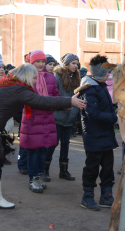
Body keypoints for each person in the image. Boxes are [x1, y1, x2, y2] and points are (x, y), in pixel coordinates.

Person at [0, 64, 86, 209]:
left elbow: (38, 102)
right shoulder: (18, 89)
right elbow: (40, 101)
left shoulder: (6, 82)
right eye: (34, 77)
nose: (35, 81)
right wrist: (69, 101)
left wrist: (62, 104)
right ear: (27, 76)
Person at [77, 54, 118, 211]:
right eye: (107, 72)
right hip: (94, 135)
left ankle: (106, 196)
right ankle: (87, 197)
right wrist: (115, 117)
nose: (109, 75)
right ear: (99, 73)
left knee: (108, 167)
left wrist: (115, 110)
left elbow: (104, 108)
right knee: (92, 167)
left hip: (106, 134)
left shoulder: (100, 86)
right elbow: (92, 114)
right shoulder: (89, 89)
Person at [20, 50, 60, 193]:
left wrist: (56, 104)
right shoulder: (26, 77)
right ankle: (33, 179)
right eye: (38, 61)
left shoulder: (51, 77)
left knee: (44, 149)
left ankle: (40, 175)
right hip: (32, 118)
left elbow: (56, 95)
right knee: (33, 150)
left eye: (43, 61)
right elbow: (24, 97)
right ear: (32, 63)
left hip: (47, 118)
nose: (41, 64)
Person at [44, 53, 80, 182]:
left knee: (66, 144)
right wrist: (62, 105)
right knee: (52, 144)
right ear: (66, 64)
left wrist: (75, 111)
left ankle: (63, 171)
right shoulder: (57, 78)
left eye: (77, 64)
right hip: (57, 117)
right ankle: (45, 170)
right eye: (73, 63)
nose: (76, 66)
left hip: (70, 118)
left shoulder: (76, 78)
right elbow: (53, 98)